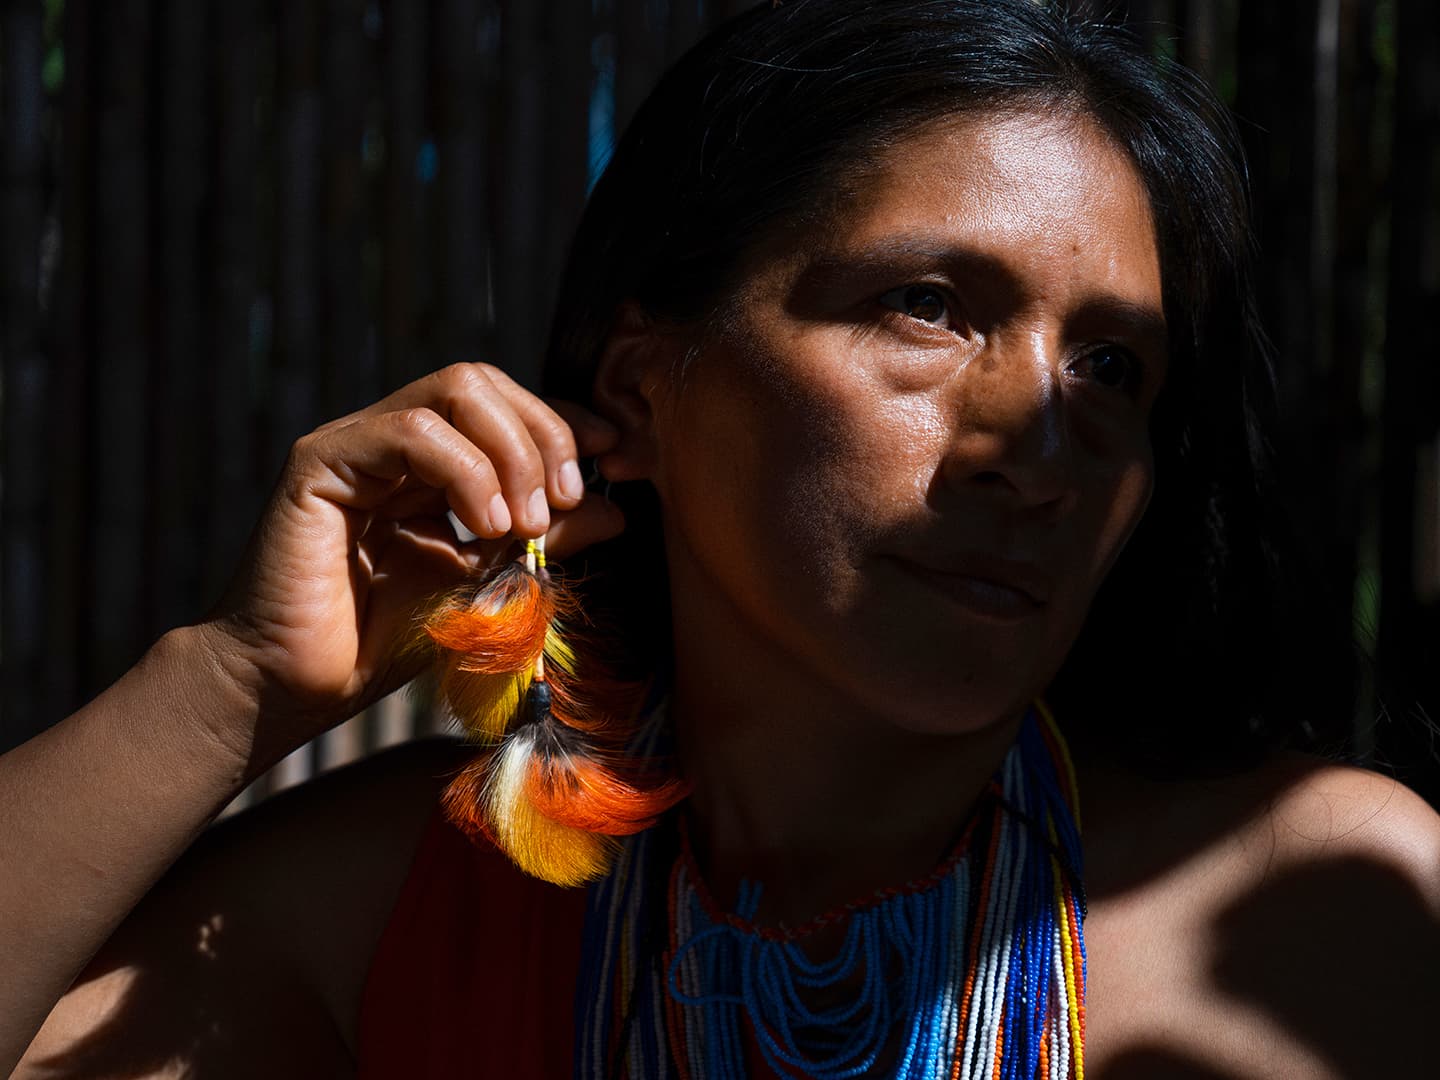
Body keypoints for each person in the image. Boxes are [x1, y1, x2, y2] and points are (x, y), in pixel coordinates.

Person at [7, 1, 1440, 1076]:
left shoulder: (1328, 914)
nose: (1037, 442)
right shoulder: (398, 911)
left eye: (1113, 367)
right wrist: (229, 686)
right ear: (644, 389)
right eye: (929, 306)